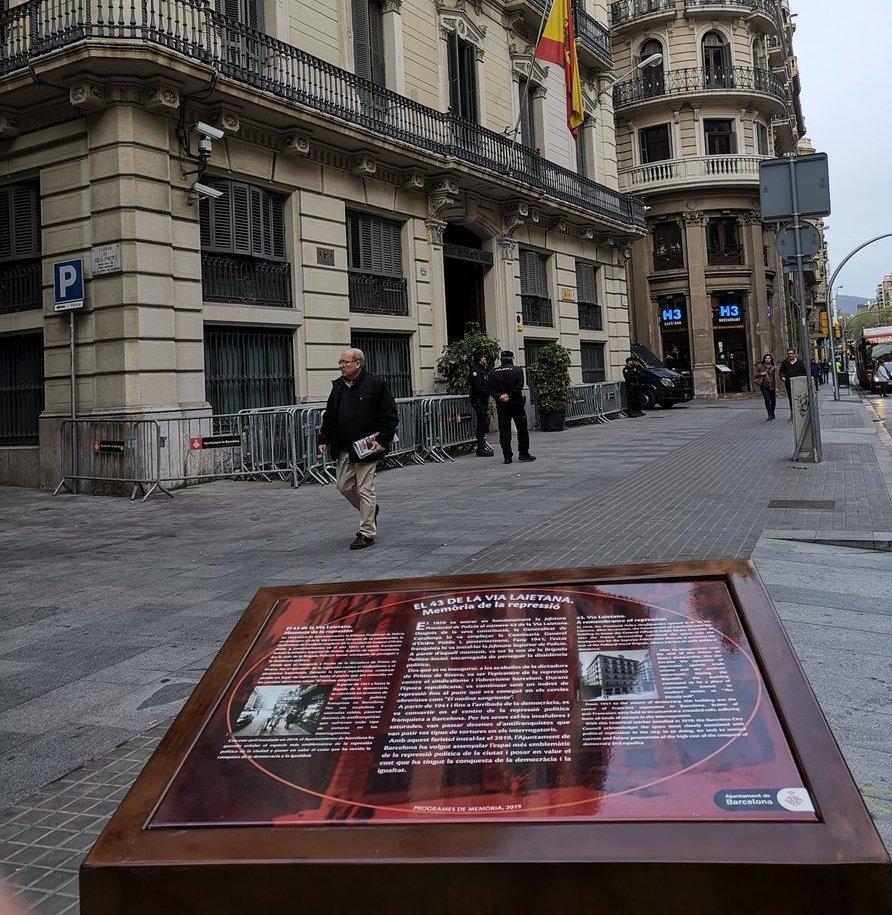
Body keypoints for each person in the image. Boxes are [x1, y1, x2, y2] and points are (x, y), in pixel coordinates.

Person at [318, 347, 398, 550]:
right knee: (343, 486)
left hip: (367, 447)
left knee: (365, 488)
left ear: (357, 364)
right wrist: (323, 438)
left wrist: (384, 439)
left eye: (345, 362)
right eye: (341, 362)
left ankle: (367, 532)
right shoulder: (338, 387)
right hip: (344, 447)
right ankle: (371, 510)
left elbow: (390, 415)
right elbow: (329, 415)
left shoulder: (375, 384)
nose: (341, 365)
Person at [489, 351, 535, 464]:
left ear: (501, 359)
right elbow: (519, 386)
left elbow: (490, 388)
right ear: (511, 358)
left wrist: (500, 396)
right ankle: (523, 453)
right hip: (516, 404)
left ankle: (507, 456)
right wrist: (509, 395)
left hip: (502, 405)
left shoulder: (493, 372)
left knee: (504, 431)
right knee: (522, 429)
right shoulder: (517, 370)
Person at [469, 350, 494, 457]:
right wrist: (488, 392)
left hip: (482, 400)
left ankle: (482, 446)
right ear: (480, 359)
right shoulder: (475, 371)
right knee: (481, 424)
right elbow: (477, 387)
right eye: (484, 358)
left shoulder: (481, 370)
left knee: (483, 423)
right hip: (478, 400)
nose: (485, 359)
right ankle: (480, 448)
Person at [779, 347, 807, 418]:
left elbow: (804, 372)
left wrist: (802, 380)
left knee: (799, 398)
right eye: (789, 354)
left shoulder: (800, 362)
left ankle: (800, 412)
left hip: (798, 384)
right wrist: (782, 377)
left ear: (794, 354)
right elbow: (781, 371)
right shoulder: (784, 362)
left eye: (791, 353)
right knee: (791, 398)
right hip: (789, 384)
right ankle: (793, 413)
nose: (790, 355)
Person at [755, 353, 782, 421]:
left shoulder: (774, 367)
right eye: (766, 358)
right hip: (763, 386)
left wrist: (777, 387)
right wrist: (761, 374)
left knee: (773, 401)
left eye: (769, 358)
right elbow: (755, 375)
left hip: (772, 386)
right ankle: (769, 414)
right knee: (767, 400)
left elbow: (776, 378)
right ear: (764, 359)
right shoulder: (760, 366)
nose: (767, 360)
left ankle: (772, 412)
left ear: (771, 359)